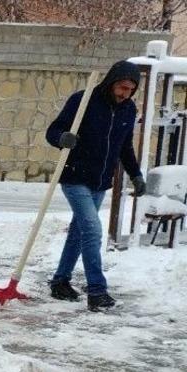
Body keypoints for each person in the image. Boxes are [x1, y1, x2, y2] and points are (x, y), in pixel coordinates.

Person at [45, 60, 144, 311]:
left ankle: (60, 281)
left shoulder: (128, 110)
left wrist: (136, 175)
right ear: (111, 82)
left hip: (100, 182)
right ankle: (97, 291)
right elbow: (53, 130)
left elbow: (125, 146)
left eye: (130, 90)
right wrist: (62, 138)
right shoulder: (83, 100)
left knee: (80, 231)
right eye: (122, 88)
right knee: (92, 229)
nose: (125, 94)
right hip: (75, 177)